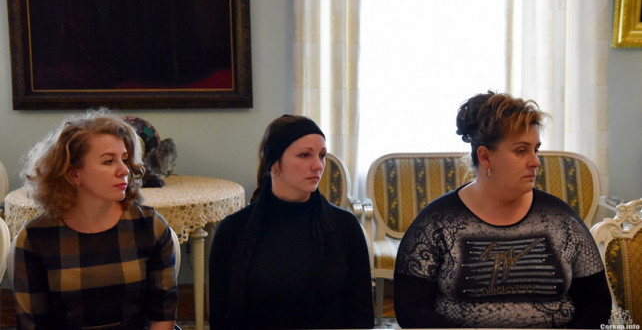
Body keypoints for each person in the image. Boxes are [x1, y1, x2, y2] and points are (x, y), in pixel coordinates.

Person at [393, 91, 612, 329]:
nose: (535, 161)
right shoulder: (437, 222)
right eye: (521, 151)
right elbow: (411, 310)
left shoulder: (561, 219)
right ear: (485, 156)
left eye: (536, 150)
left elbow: (596, 304)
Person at [11, 110, 178, 329]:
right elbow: (33, 324)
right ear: (74, 174)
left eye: (124, 159)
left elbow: (162, 316)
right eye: (108, 161)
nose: (124, 170)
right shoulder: (35, 238)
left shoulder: (150, 226)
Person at [209, 115, 374, 329]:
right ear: (274, 163)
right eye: (304, 155)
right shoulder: (233, 231)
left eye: (322, 155)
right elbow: (220, 318)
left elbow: (361, 316)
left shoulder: (345, 227)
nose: (318, 165)